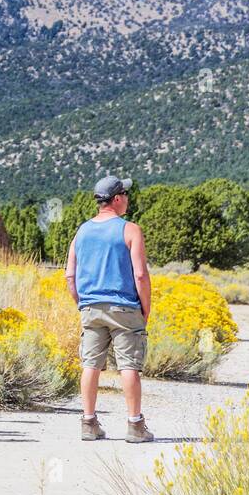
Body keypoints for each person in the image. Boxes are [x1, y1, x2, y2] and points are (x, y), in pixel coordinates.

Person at [65, 176, 153, 443]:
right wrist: (145, 309)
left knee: (90, 364)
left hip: (91, 307)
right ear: (116, 199)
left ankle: (89, 423)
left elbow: (70, 275)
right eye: (125, 194)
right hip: (125, 307)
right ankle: (135, 426)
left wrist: (82, 303)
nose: (127, 198)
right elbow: (140, 276)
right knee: (128, 366)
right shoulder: (130, 230)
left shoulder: (82, 231)